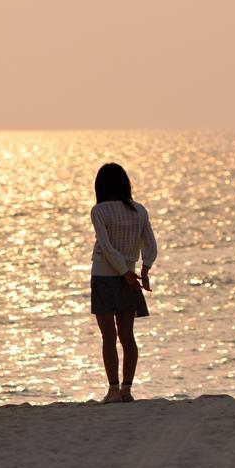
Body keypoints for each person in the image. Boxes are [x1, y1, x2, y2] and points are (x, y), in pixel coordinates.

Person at [89, 163, 157, 403]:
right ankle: (127, 390)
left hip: (104, 277)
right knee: (127, 336)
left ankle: (113, 390)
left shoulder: (99, 211)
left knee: (108, 336)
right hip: (128, 277)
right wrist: (143, 268)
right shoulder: (139, 210)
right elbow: (151, 244)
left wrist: (123, 272)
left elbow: (106, 247)